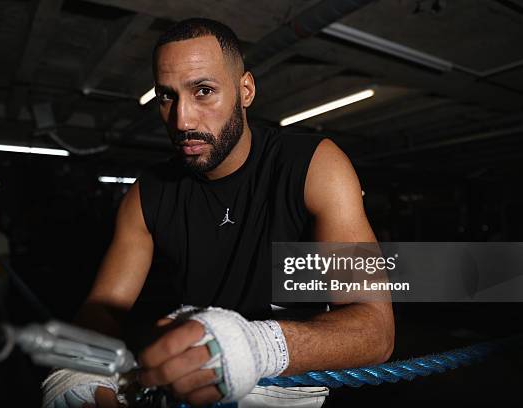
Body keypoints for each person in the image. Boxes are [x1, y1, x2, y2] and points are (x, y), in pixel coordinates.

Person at [43, 18, 394, 407]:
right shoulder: (147, 194)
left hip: (284, 384)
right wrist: (81, 368)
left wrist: (254, 345)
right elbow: (103, 307)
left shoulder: (314, 166)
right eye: (166, 97)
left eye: (204, 91)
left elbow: (375, 330)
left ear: (245, 90)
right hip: (184, 384)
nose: (183, 121)